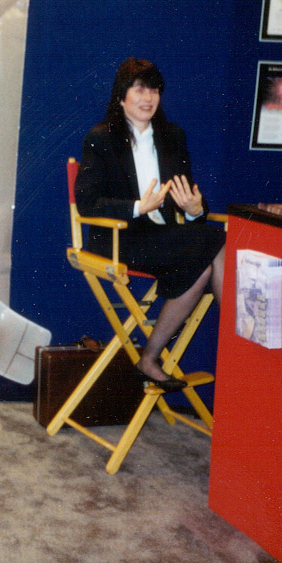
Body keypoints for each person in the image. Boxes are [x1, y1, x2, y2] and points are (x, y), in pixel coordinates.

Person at [75, 58, 225, 391]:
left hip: (161, 237)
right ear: (121, 96)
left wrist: (195, 209)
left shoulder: (173, 136)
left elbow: (189, 201)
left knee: (206, 252)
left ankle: (149, 359)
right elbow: (87, 203)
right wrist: (138, 207)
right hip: (118, 239)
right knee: (212, 244)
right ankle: (243, 338)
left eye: (154, 89)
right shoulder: (101, 138)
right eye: (139, 88)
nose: (148, 97)